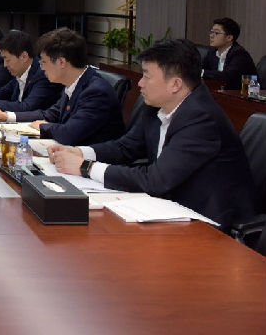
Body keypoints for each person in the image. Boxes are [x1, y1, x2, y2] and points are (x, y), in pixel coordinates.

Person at [48, 39, 255, 228]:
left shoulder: (201, 118)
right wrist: (80, 152)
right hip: (167, 207)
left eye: (147, 76)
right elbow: (126, 147)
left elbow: (156, 180)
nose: (140, 83)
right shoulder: (158, 105)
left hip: (209, 221)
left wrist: (86, 167)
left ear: (175, 84)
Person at [0, 28, 123, 146]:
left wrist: (44, 126)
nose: (41, 68)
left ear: (62, 62)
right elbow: (49, 114)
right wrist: (6, 116)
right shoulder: (72, 84)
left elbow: (69, 133)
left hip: (92, 161)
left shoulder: (96, 91)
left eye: (44, 62)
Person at [0, 30, 63, 114]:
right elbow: (4, 92)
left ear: (24, 57)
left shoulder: (42, 74)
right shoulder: (20, 72)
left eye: (7, 60)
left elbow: (27, 107)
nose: (5, 65)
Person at [201, 17, 257, 90]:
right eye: (211, 32)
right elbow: (201, 68)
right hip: (220, 92)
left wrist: (202, 72)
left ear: (229, 38)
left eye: (216, 33)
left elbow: (226, 76)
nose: (211, 36)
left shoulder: (239, 54)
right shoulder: (212, 52)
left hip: (241, 94)